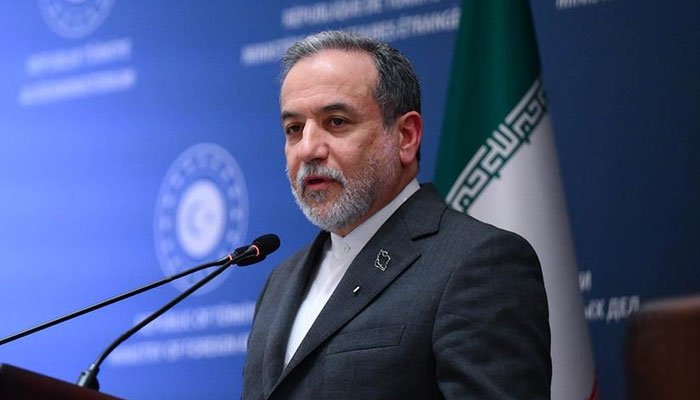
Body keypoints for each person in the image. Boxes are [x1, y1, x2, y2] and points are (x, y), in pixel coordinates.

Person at [242, 30, 551, 399]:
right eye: (294, 129)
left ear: (406, 136)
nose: (308, 149)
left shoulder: (478, 263)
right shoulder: (279, 283)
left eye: (336, 121)